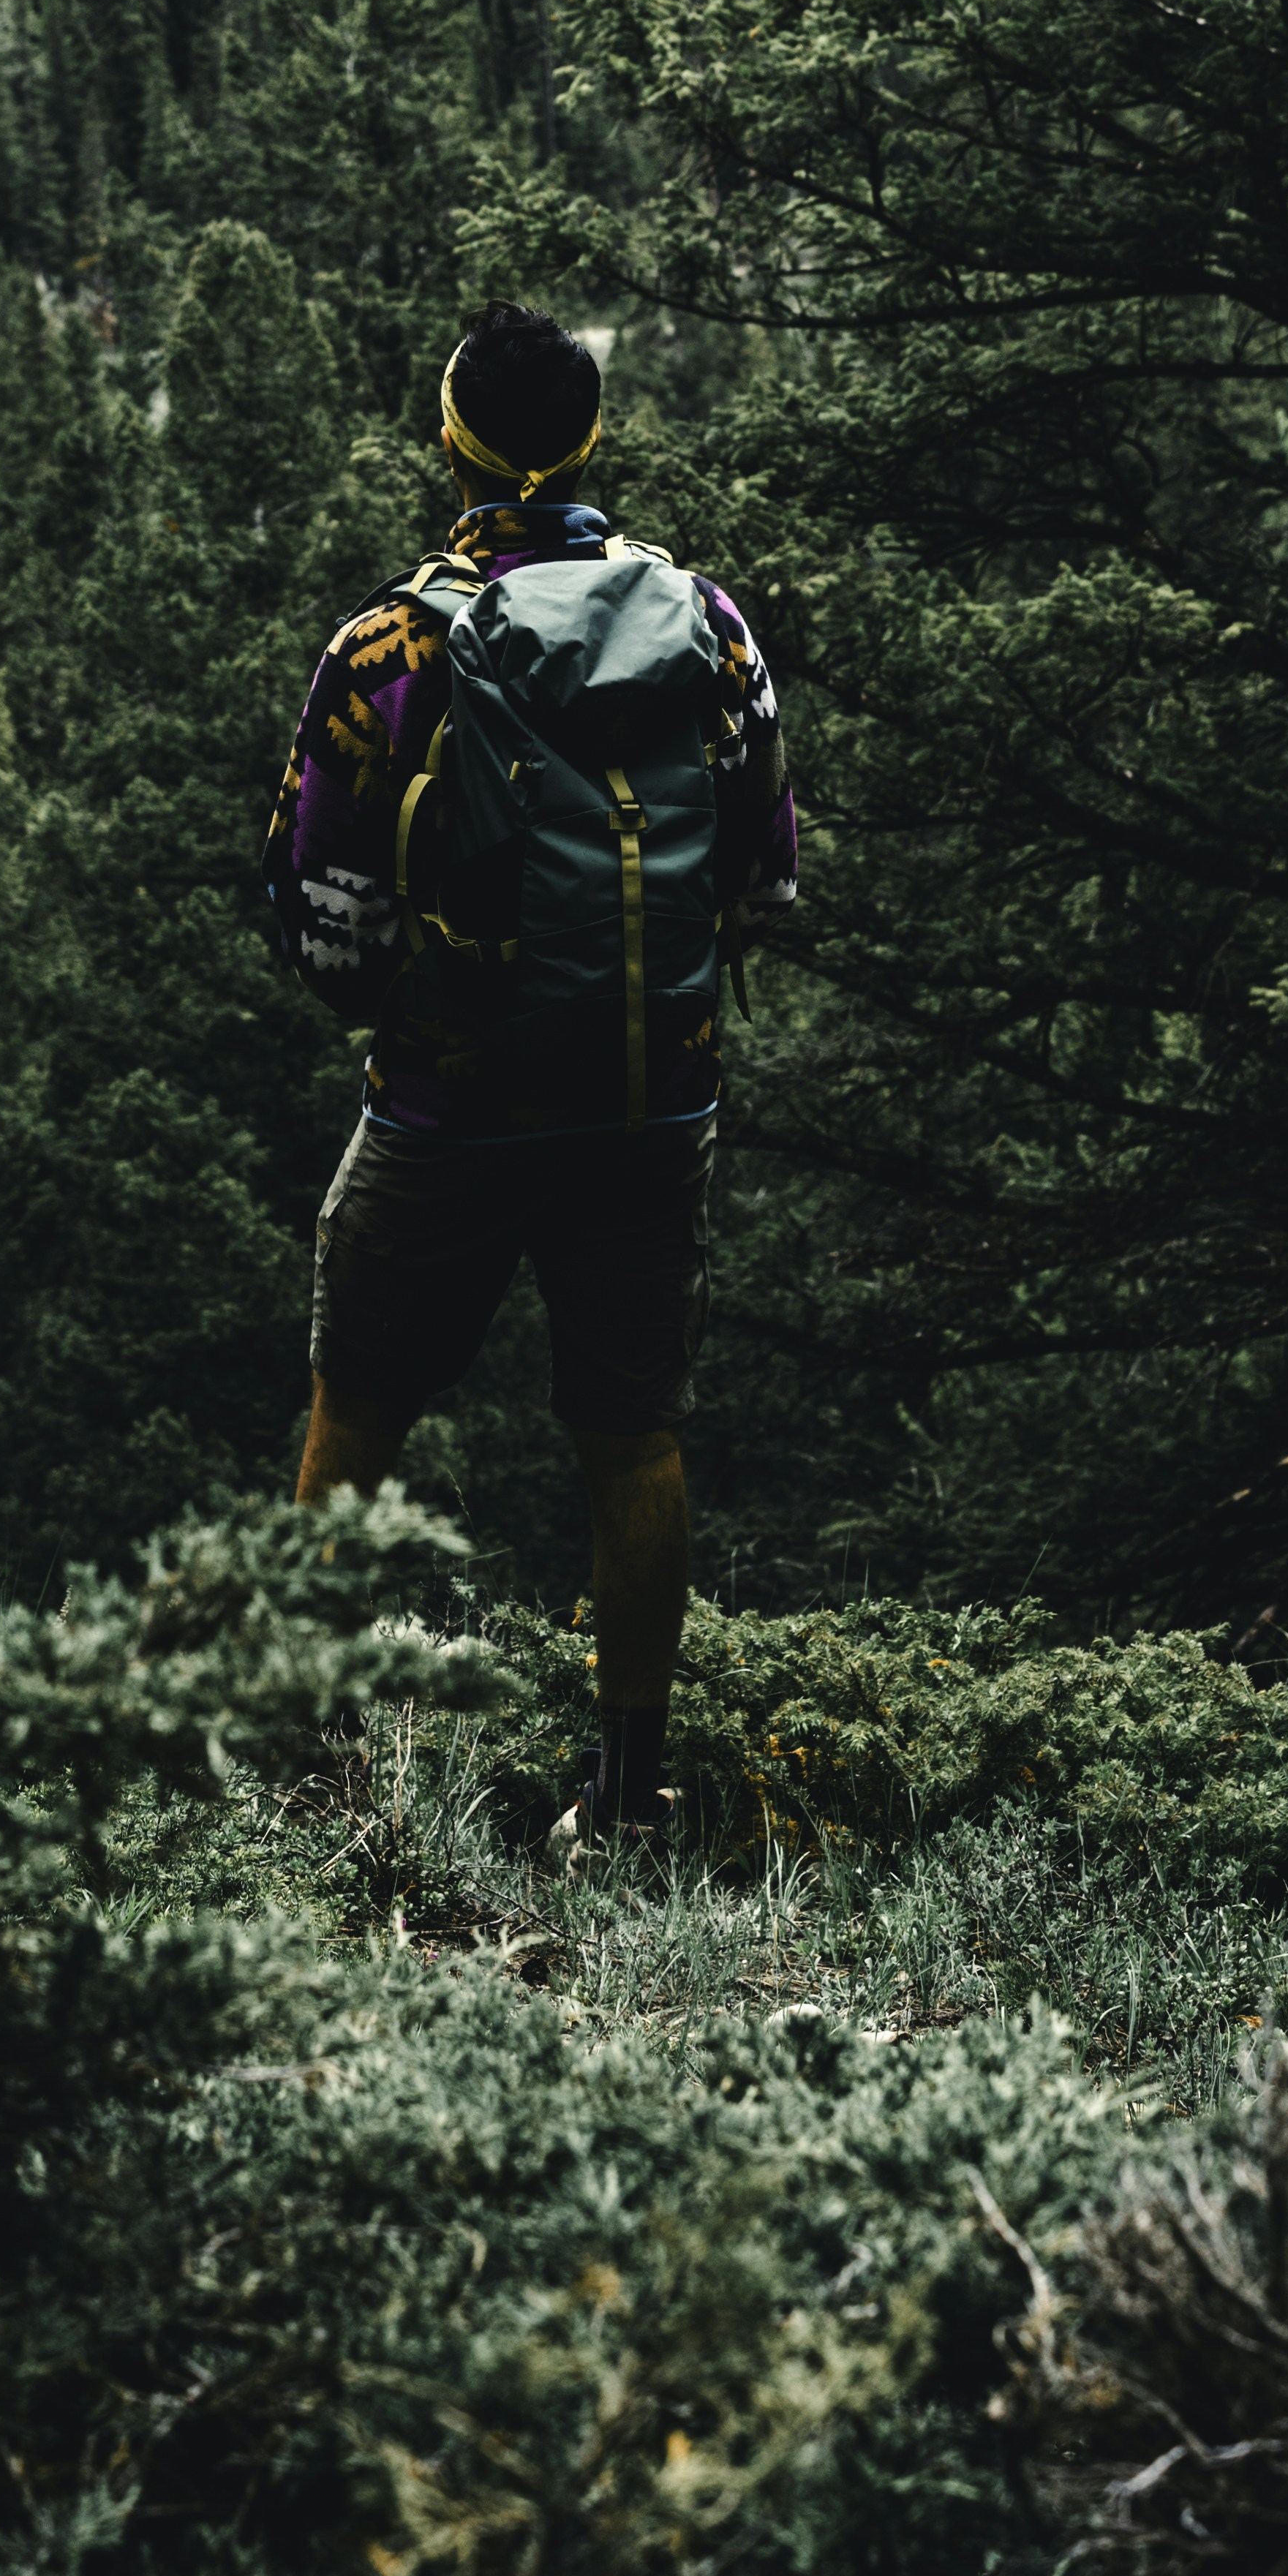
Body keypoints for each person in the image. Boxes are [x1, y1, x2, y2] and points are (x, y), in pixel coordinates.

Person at [263, 302, 796, 1853]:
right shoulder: (709, 625)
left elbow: (312, 907)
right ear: (591, 441)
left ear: (450, 439)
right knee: (632, 1441)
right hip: (643, 1103)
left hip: (444, 1103)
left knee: (352, 1418)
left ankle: (316, 1782)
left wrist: (416, 1004)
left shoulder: (389, 644)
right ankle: (629, 1798)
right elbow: (763, 877)